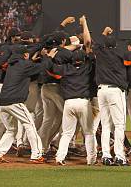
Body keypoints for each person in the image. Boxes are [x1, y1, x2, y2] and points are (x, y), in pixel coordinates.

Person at [0, 45, 55, 164]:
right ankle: (37, 155)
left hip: (2, 103)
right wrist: (47, 57)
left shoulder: (11, 65)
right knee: (30, 125)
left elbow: (25, 67)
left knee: (11, 130)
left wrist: (30, 61)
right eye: (27, 53)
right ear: (24, 55)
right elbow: (43, 66)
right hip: (14, 102)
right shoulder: (24, 64)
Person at [44, 16, 97, 166]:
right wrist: (85, 23)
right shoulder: (88, 67)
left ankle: (60, 158)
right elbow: (88, 44)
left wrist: (49, 57)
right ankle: (91, 159)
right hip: (83, 103)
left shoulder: (66, 68)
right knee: (88, 133)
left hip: (69, 103)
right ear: (84, 59)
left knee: (67, 133)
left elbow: (50, 68)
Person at [92, 27, 129, 166]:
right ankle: (120, 156)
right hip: (114, 90)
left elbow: (95, 45)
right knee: (119, 125)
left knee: (106, 125)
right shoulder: (120, 53)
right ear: (115, 45)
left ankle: (106, 156)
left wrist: (103, 33)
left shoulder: (100, 53)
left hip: (101, 91)